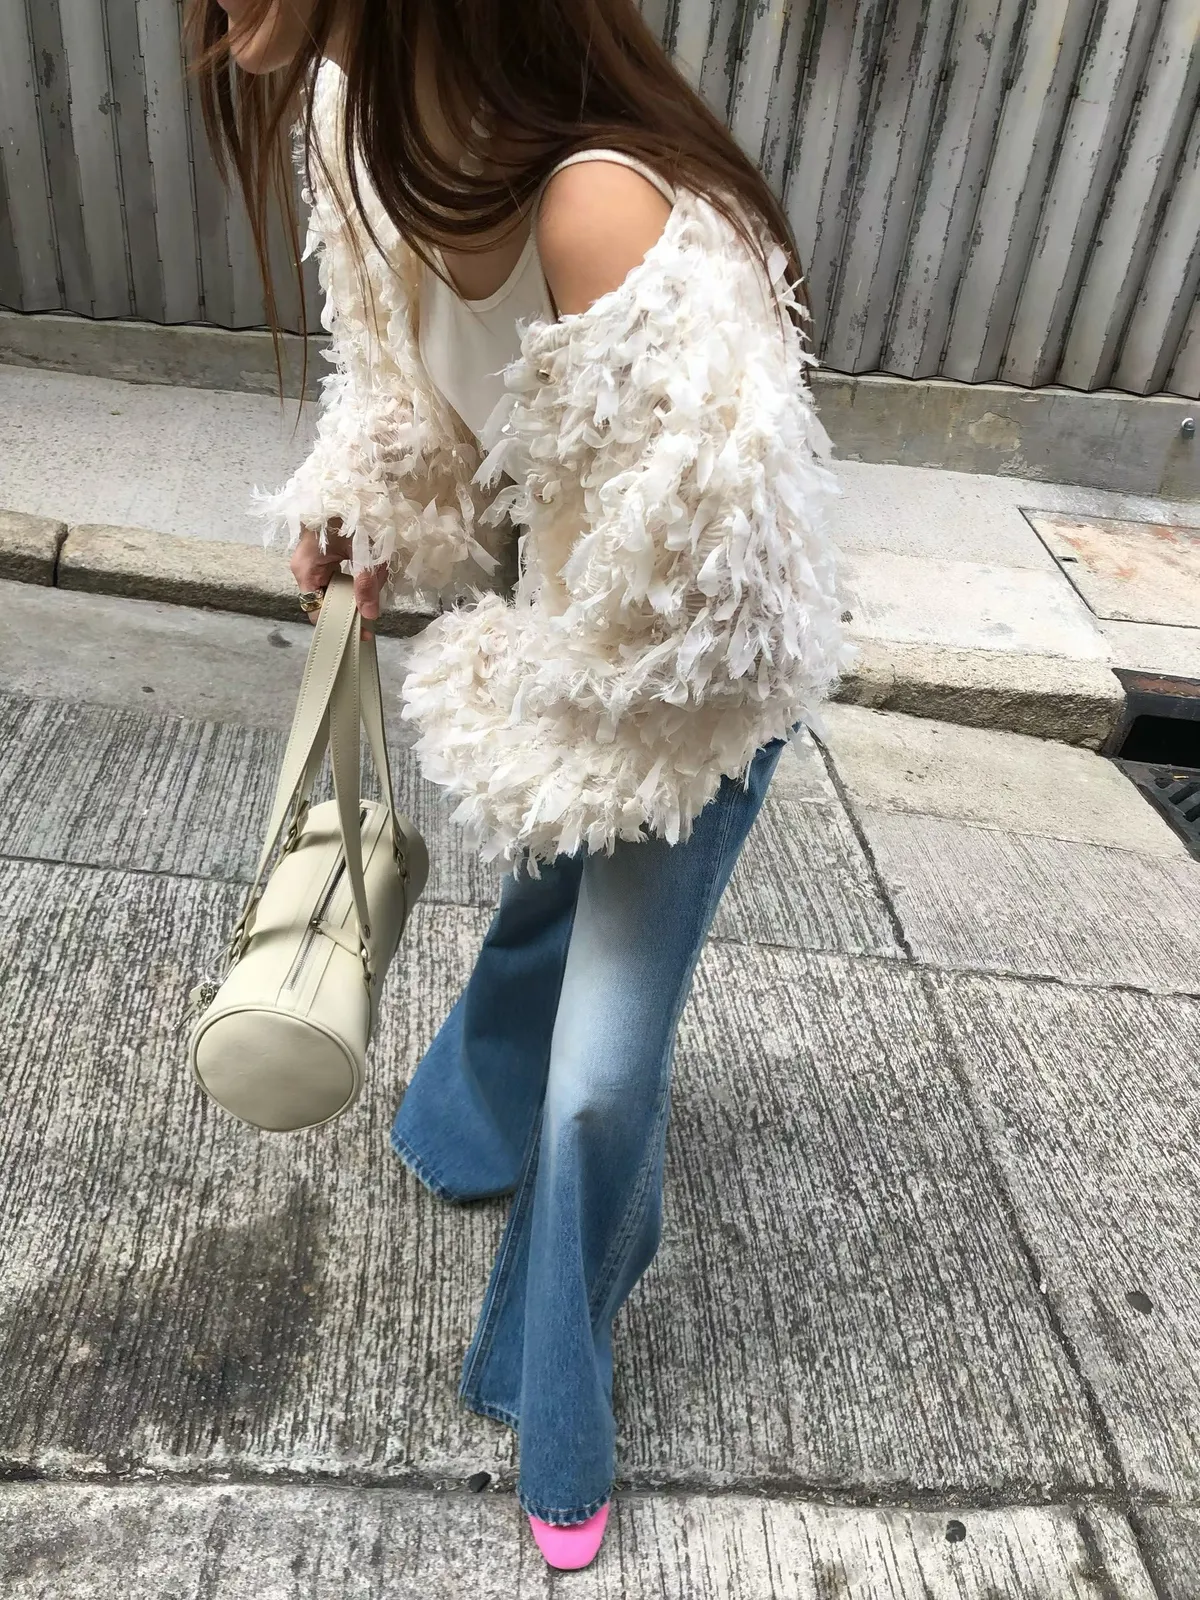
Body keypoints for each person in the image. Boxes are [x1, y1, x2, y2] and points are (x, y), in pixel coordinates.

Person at [189, 0, 849, 1570]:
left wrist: (493, 679)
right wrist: (367, 507)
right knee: (544, 902)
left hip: (695, 699)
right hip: (567, 634)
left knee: (603, 1074)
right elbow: (411, 393)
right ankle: (469, 1114)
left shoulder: (598, 209)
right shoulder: (355, 124)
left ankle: (557, 1403)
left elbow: (716, 615)